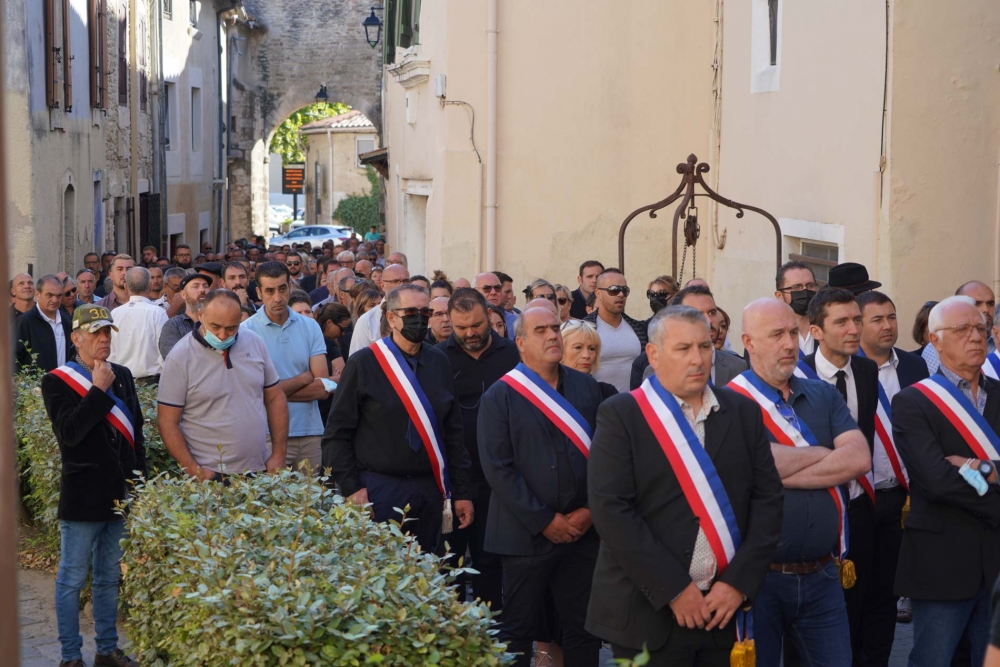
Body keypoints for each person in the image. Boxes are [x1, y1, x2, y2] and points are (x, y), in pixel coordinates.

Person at [586, 305, 784, 665]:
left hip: (725, 609)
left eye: (705, 346)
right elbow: (612, 510)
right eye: (683, 349)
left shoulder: (743, 412)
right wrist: (674, 589)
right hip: (649, 613)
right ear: (654, 354)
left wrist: (737, 584)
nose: (698, 359)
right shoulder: (622, 415)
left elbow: (768, 500)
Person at [729, 298, 870, 667]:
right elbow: (752, 467)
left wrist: (775, 474)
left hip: (823, 575)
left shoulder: (822, 393)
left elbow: (858, 458)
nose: (790, 343)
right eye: (777, 334)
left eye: (793, 332)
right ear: (749, 341)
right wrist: (826, 454)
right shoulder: (730, 401)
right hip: (759, 580)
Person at [477, 306, 604, 667]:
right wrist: (545, 520)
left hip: (582, 532)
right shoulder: (499, 397)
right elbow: (498, 469)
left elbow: (606, 456)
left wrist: (590, 512)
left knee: (583, 628)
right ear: (520, 343)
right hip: (524, 535)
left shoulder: (587, 388)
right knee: (518, 628)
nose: (552, 336)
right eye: (541, 330)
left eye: (554, 328)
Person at [323, 284, 474, 553]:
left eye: (425, 312)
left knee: (428, 571)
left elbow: (453, 432)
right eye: (411, 312)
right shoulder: (363, 364)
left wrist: (461, 492)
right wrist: (351, 488)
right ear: (392, 318)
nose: (420, 319)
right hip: (380, 489)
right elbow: (338, 433)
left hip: (431, 488)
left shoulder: (439, 362)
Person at [892, 295, 1000, 667]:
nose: (975, 337)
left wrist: (975, 467)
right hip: (942, 560)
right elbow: (935, 479)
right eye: (962, 330)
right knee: (932, 659)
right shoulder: (913, 402)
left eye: (981, 329)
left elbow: (950, 473)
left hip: (996, 560)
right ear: (935, 340)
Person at [42, 304, 145, 667]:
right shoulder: (56, 380)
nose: (104, 339)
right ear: (76, 338)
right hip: (84, 495)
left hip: (120, 494)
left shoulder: (124, 374)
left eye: (107, 333)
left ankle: (106, 650)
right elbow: (70, 433)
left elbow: (137, 434)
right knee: (72, 580)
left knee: (107, 578)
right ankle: (70, 657)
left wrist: (140, 484)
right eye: (96, 333)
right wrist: (98, 391)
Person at [800, 287, 880, 665]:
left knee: (856, 611)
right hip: (813, 510)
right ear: (816, 332)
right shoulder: (796, 374)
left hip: (858, 505)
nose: (854, 329)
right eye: (842, 321)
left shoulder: (865, 370)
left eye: (857, 320)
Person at [856, 290, 930, 650]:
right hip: (859, 500)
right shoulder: (849, 368)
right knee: (855, 598)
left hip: (902, 500)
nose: (888, 326)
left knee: (887, 598)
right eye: (877, 319)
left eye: (892, 317)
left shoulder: (914, 366)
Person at [438, 288, 520, 610]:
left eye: (475, 325)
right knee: (447, 560)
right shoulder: (436, 358)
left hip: (499, 480)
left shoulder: (514, 355)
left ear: (489, 315)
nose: (470, 333)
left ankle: (492, 637)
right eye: (461, 328)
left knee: (492, 561)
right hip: (449, 483)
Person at [158, 289, 288, 481]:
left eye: (231, 328)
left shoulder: (254, 342)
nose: (222, 335)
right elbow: (167, 421)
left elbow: (276, 398)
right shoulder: (180, 357)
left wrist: (279, 454)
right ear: (200, 315)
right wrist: (194, 469)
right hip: (210, 476)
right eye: (215, 326)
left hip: (259, 469)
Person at [242, 261, 332, 473]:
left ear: (290, 287)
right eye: (270, 291)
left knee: (312, 504)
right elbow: (253, 393)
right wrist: (303, 378)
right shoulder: (246, 332)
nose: (278, 297)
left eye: (282, 289)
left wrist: (273, 392)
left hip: (311, 433)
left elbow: (322, 387)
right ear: (258, 292)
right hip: (266, 436)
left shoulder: (310, 326)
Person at [634, 285, 747, 390]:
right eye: (697, 313)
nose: (708, 320)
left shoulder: (738, 367)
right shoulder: (658, 370)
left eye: (712, 312)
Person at [582, 269, 647, 393]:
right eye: (614, 290)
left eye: (624, 290)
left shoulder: (638, 329)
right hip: (597, 404)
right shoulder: (585, 329)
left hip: (634, 404)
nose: (620, 294)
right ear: (598, 293)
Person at [107, 268, 169, 384]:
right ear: (150, 285)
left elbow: (111, 354)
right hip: (152, 384)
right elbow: (164, 353)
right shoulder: (157, 313)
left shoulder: (115, 314)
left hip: (122, 382)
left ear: (126, 287)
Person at [14, 275, 73, 373]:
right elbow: (12, 359)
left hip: (63, 384)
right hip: (34, 386)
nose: (55, 300)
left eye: (59, 296)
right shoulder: (25, 322)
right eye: (49, 295)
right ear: (37, 294)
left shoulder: (67, 321)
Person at [350, 264, 410, 356]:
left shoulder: (419, 314)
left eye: (406, 281)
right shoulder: (366, 321)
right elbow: (358, 362)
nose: (401, 285)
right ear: (382, 285)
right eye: (395, 281)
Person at [158, 273, 211, 360]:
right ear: (183, 294)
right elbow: (173, 360)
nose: (202, 290)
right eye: (196, 286)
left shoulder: (217, 322)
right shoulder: (173, 326)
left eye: (205, 286)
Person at [560, 319, 617, 399]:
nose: (586, 355)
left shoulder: (607, 393)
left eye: (592, 349)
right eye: (578, 347)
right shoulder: (547, 393)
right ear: (560, 351)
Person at [774, 261, 819, 356]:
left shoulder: (828, 331)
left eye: (810, 285)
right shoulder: (765, 337)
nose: (805, 291)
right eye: (796, 287)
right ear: (779, 296)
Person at [957, 281, 998, 355]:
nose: (986, 309)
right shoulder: (939, 348)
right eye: (977, 303)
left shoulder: (998, 344)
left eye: (990, 304)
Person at [475, 272, 516, 339]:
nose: (493, 292)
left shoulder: (515, 322)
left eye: (497, 288)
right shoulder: (467, 320)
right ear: (475, 291)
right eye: (487, 288)